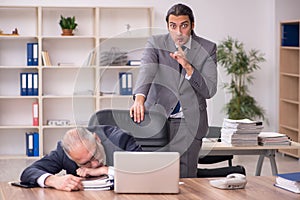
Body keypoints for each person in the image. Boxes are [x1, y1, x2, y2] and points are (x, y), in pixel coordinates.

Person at [130, 3, 217, 178]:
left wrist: (188, 66)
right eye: (173, 26)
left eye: (183, 25)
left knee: (185, 177)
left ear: (192, 25)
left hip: (189, 121)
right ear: (168, 26)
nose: (178, 32)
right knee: (154, 175)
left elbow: (209, 90)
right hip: (158, 118)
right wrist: (139, 99)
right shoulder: (156, 43)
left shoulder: (208, 48)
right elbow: (147, 70)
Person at [20, 125, 142, 191]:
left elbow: (146, 173)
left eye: (95, 155)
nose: (94, 164)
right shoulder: (63, 152)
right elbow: (28, 172)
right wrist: (53, 180)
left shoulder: (121, 139)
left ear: (97, 139)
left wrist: (105, 170)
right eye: (85, 163)